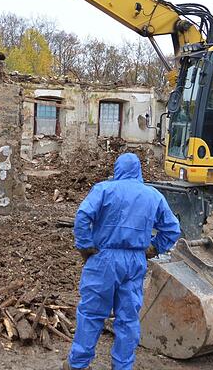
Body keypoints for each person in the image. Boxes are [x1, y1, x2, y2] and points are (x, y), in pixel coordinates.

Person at [64, 153, 181, 370]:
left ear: (117, 169)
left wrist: (85, 245)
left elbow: (82, 216)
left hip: (104, 259)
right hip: (135, 261)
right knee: (127, 319)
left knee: (91, 314)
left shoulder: (104, 189)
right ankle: (122, 366)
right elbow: (172, 228)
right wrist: (154, 247)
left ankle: (78, 364)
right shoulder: (153, 195)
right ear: (139, 171)